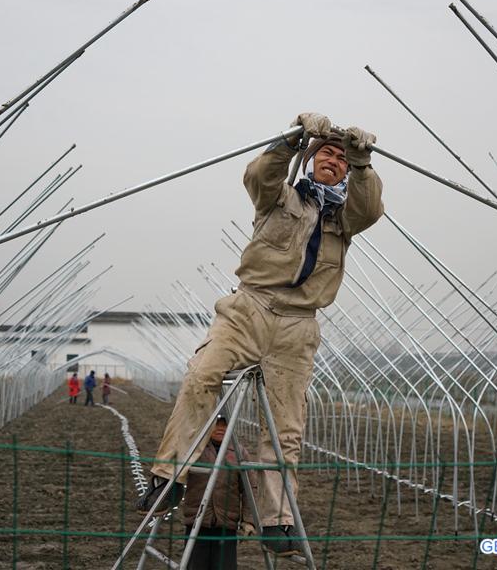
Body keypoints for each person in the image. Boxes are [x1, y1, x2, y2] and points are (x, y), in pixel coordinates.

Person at [136, 113, 384, 557]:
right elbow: (257, 175)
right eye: (324, 152)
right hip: (249, 308)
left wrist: (364, 162)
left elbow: (371, 210)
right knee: (201, 376)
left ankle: (277, 521)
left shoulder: (345, 219)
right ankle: (167, 479)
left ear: (347, 171)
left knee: (286, 426)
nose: (333, 160)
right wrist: (290, 140)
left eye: (341, 158)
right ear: (310, 161)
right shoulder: (281, 197)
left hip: (298, 323)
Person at [181, 415, 256, 570]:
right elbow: (176, 476)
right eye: (217, 424)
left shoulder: (239, 453)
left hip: (226, 526)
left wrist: (248, 520)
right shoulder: (195, 449)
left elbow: (250, 489)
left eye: (225, 424)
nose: (221, 428)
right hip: (197, 523)